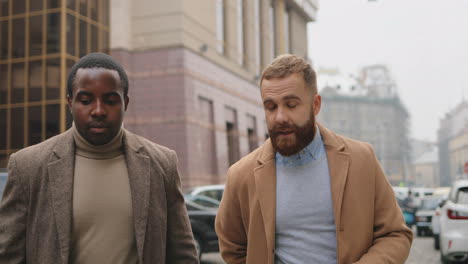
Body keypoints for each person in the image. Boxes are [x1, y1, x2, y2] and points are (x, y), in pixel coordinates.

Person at [0, 53, 199, 264]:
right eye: (86, 100)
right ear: (70, 102)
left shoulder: (162, 164)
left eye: (110, 101)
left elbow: (183, 254)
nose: (98, 111)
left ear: (126, 103)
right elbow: (8, 256)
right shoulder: (27, 166)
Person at [215, 54, 413, 264]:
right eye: (271, 107)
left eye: (291, 104)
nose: (280, 117)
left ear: (315, 105)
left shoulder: (361, 159)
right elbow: (233, 248)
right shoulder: (241, 175)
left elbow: (395, 234)